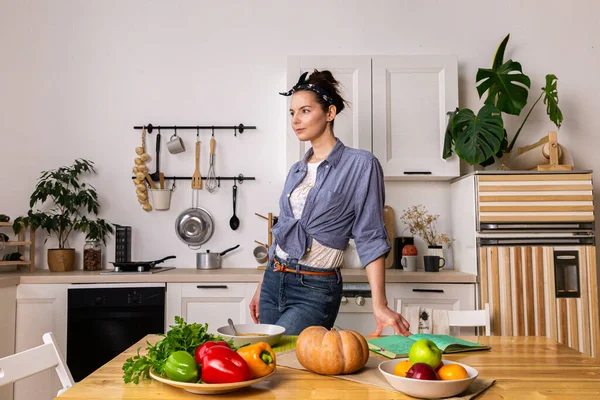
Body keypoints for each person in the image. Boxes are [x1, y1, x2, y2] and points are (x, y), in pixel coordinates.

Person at [249, 70, 410, 336]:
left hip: (315, 287)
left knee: (286, 360)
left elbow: (369, 234)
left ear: (330, 113)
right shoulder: (296, 170)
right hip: (273, 281)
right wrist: (261, 284)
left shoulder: (361, 164)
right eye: (292, 113)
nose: (296, 120)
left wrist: (380, 304)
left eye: (304, 111)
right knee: (267, 365)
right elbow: (283, 233)